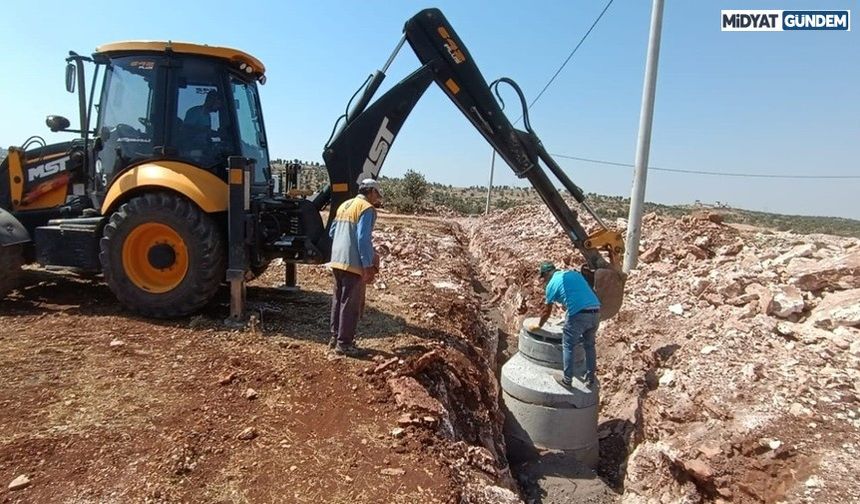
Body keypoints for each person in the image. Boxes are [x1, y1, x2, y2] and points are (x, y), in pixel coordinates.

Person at [327, 179, 384, 356]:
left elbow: (332, 232)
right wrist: (367, 264)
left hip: (337, 259)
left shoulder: (344, 205)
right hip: (352, 262)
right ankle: (344, 344)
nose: (377, 198)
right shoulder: (366, 209)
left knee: (338, 299)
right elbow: (362, 238)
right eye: (377, 194)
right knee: (350, 303)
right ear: (372, 192)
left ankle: (335, 337)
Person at [530, 261, 601, 388]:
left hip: (578, 314)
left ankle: (567, 380)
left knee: (568, 345)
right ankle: (590, 379)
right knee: (589, 346)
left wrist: (539, 324)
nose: (544, 280)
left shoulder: (551, 285)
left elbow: (546, 311)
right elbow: (580, 293)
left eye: (544, 277)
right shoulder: (574, 274)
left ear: (546, 274)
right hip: (595, 311)